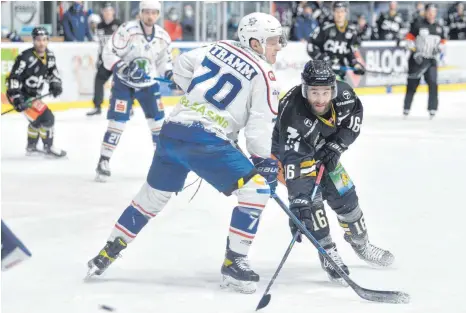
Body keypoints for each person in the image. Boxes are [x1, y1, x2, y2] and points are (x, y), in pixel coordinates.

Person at [87, 12, 285, 294]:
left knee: (152, 196)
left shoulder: (218, 47)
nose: (280, 45)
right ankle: (234, 262)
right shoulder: (266, 76)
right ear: (255, 42)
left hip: (173, 131)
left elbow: (181, 64)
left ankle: (107, 251)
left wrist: (198, 99)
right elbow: (258, 131)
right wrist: (263, 163)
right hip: (207, 142)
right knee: (256, 192)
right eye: (274, 41)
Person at [272, 60, 394, 286]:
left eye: (325, 92)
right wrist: (298, 202)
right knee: (312, 203)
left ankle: (361, 244)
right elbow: (295, 162)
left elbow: (354, 119)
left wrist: (337, 145)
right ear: (304, 89)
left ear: (334, 89)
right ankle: (328, 252)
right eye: (314, 92)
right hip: (288, 157)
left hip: (325, 149)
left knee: (346, 197)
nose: (320, 99)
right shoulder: (293, 114)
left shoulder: (345, 96)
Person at [94, 0, 175, 182]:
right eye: (146, 12)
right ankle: (104, 160)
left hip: (148, 85)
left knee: (158, 125)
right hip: (124, 84)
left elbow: (164, 61)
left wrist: (169, 73)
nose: (150, 16)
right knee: (117, 124)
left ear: (158, 14)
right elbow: (108, 52)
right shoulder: (127, 30)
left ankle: (161, 164)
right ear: (140, 13)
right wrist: (123, 67)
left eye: (154, 13)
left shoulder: (163, 36)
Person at [6, 27, 66, 157]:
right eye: (38, 40)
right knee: (48, 118)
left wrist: (55, 84)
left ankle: (31, 146)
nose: (42, 43)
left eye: (44, 40)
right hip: (21, 96)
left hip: (33, 97)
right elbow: (13, 78)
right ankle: (48, 147)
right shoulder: (25, 57)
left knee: (37, 121)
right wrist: (17, 98)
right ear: (33, 41)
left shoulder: (49, 57)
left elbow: (52, 73)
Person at [403, 3, 445, 119]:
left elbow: (442, 41)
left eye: (434, 11)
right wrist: (415, 51)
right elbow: (408, 39)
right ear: (425, 12)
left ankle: (432, 109)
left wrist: (440, 48)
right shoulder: (418, 24)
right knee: (412, 85)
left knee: (433, 83)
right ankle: (406, 108)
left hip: (431, 61)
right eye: (430, 11)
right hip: (417, 60)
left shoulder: (439, 27)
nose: (432, 14)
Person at [307, 1, 365, 80]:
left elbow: (349, 53)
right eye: (337, 11)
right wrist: (323, 59)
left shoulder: (351, 30)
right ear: (333, 12)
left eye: (342, 11)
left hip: (340, 72)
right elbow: (311, 45)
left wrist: (356, 65)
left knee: (341, 90)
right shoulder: (325, 27)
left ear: (346, 12)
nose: (339, 14)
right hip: (323, 72)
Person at [86, 3, 122, 116]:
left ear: (113, 12)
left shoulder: (119, 25)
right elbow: (101, 45)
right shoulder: (100, 26)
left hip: (118, 60)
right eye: (105, 11)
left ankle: (128, 106)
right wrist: (99, 59)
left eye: (109, 11)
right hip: (106, 61)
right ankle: (97, 106)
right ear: (102, 12)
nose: (107, 13)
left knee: (122, 83)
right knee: (98, 80)